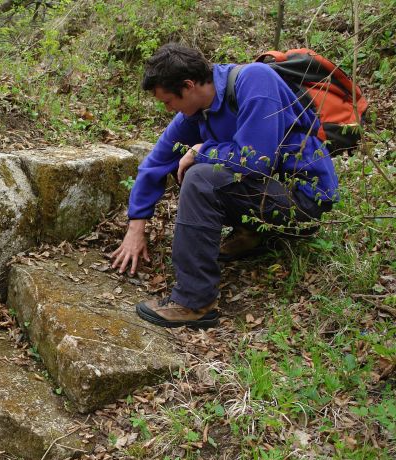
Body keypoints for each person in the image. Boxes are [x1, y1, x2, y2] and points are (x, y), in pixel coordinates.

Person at [110, 43, 336, 329]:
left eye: (168, 101)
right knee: (201, 171)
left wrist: (202, 150)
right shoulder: (197, 112)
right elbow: (155, 163)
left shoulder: (255, 81)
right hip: (266, 196)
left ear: (188, 85)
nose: (168, 109)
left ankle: (194, 302)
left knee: (201, 175)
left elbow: (258, 161)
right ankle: (252, 233)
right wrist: (136, 227)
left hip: (301, 202)